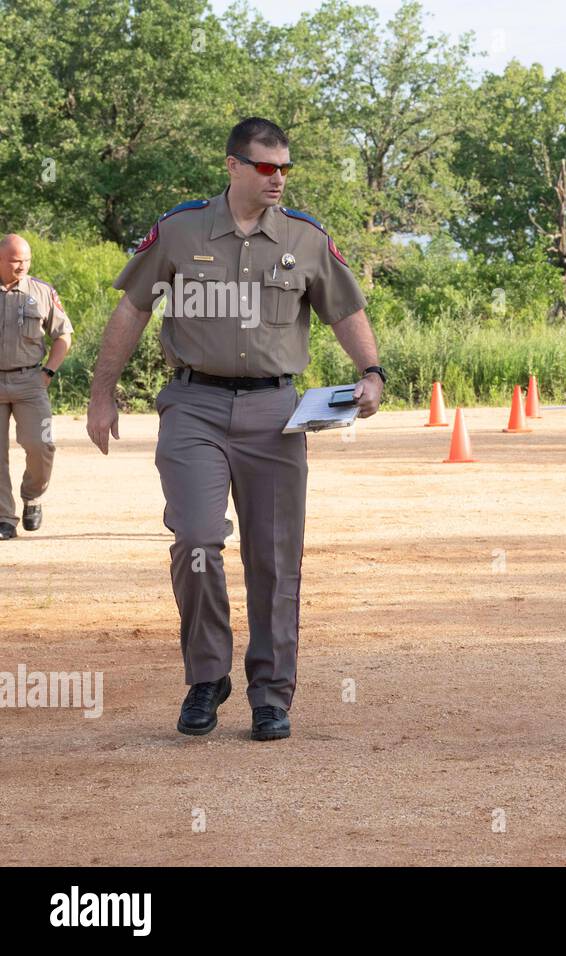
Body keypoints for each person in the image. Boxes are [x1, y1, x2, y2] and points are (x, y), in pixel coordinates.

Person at [85, 117, 387, 741]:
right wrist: (101, 393)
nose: (277, 179)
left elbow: (346, 310)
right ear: (233, 166)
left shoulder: (305, 239)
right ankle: (206, 677)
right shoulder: (180, 229)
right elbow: (133, 308)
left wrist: (372, 373)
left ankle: (271, 696)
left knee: (275, 560)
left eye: (284, 169)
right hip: (193, 406)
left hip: (275, 416)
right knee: (195, 540)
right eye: (265, 167)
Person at [0, 233, 72, 539]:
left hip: (30, 381)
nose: (22, 266)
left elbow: (64, 335)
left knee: (41, 445)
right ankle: (4, 517)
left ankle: (32, 496)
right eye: (16, 261)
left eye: (26, 260)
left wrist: (48, 373)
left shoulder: (41, 291)